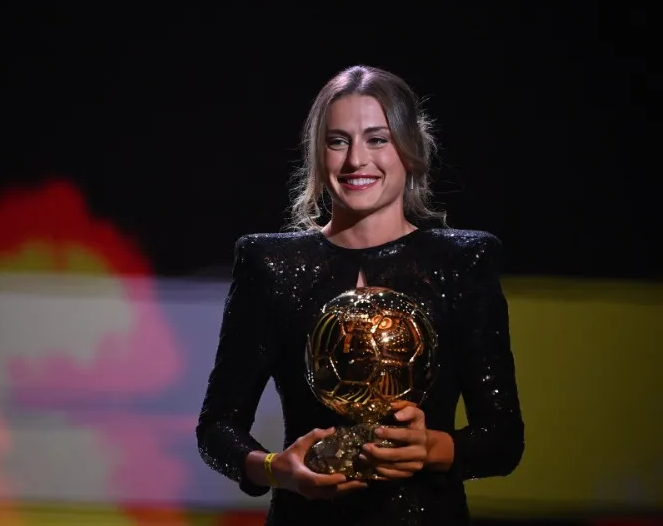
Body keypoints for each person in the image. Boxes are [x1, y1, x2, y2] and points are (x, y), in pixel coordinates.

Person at [195, 65, 524, 526]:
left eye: (377, 139)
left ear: (409, 148)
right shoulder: (270, 264)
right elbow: (217, 428)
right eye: (338, 141)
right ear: (317, 154)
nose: (356, 161)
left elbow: (503, 440)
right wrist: (276, 470)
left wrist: (434, 448)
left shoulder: (461, 261)